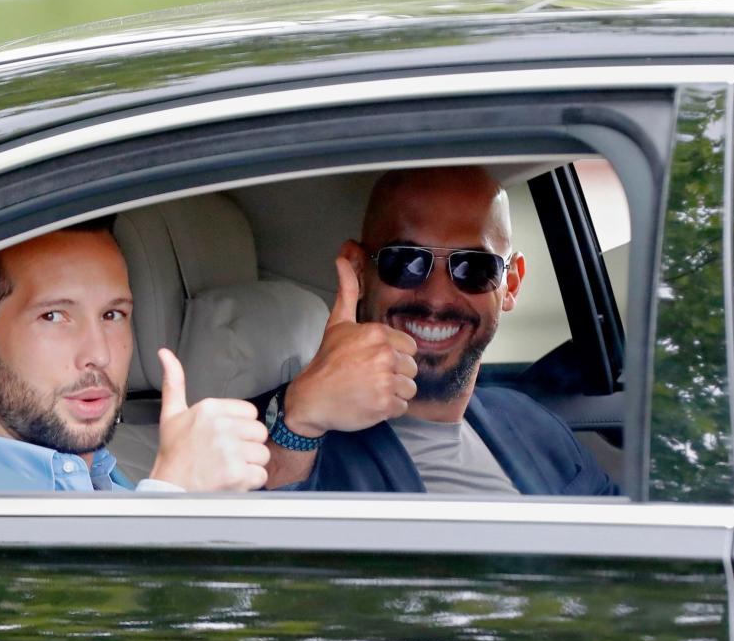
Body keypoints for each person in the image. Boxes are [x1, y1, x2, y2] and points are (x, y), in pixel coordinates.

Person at [263, 166, 618, 495]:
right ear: (358, 270)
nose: (436, 298)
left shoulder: (532, 424)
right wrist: (300, 425)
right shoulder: (268, 433)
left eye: (475, 267)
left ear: (510, 284)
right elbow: (255, 547)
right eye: (406, 261)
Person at [0, 217, 269, 493]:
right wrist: (170, 501)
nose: (99, 354)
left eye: (112, 314)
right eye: (54, 316)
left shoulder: (99, 472)